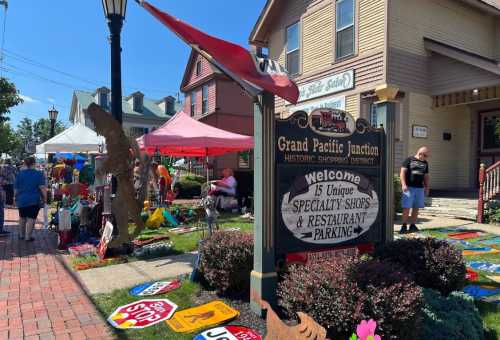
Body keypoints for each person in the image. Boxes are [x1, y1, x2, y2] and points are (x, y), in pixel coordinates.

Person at [14, 156, 47, 241]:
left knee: (22, 217)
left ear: (24, 163)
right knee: (31, 218)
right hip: (33, 199)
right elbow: (42, 188)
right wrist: (45, 198)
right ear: (34, 163)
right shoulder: (39, 174)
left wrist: (14, 198)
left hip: (21, 199)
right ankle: (28, 237)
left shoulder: (19, 174)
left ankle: (21, 235)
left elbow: (16, 189)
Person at [400, 146, 430, 234]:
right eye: (425, 155)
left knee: (416, 207)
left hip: (420, 188)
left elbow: (426, 176)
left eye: (427, 156)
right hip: (409, 187)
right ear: (420, 153)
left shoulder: (425, 163)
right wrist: (403, 184)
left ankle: (412, 225)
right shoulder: (409, 160)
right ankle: (404, 225)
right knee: (407, 207)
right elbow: (402, 172)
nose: (426, 157)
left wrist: (427, 187)